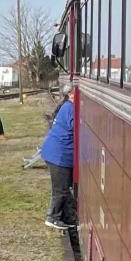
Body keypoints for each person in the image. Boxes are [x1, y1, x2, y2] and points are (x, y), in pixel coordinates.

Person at [39, 96, 77, 229]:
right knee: (61, 189)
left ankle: (68, 218)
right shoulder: (71, 109)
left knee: (63, 187)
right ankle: (53, 217)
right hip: (58, 155)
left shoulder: (67, 106)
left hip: (56, 153)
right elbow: (76, 128)